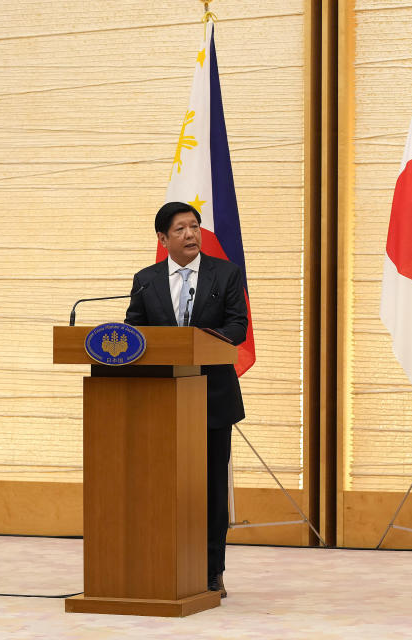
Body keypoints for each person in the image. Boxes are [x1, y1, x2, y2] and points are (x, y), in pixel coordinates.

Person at [125, 201, 248, 598]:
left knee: (211, 490)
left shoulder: (225, 274)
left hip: (212, 398)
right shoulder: (146, 280)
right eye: (180, 229)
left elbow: (237, 326)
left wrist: (198, 344)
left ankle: (212, 571)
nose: (190, 234)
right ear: (163, 239)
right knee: (162, 487)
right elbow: (133, 331)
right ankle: (162, 564)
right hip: (161, 401)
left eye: (194, 227)